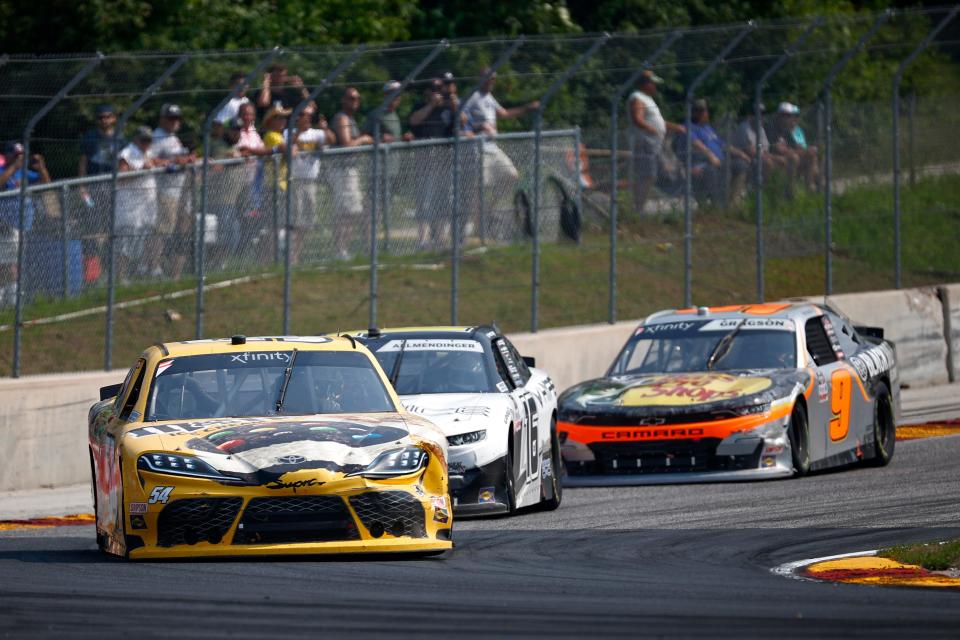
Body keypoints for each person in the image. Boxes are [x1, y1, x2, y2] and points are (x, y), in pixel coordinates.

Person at [463, 68, 539, 236]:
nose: (492, 82)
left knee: (511, 175)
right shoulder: (472, 97)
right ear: (481, 78)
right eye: (489, 79)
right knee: (479, 188)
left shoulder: (489, 97)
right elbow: (462, 118)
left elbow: (503, 113)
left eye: (494, 79)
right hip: (479, 149)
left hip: (493, 148)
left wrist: (527, 108)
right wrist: (478, 126)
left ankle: (488, 211)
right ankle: (475, 226)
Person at [409, 78, 458, 249]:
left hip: (444, 157)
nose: (437, 91)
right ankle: (423, 239)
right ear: (427, 91)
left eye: (440, 88)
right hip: (426, 156)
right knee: (425, 198)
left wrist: (454, 106)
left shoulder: (448, 108)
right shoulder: (420, 106)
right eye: (433, 88)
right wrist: (431, 106)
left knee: (444, 199)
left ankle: (441, 237)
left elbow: (464, 122)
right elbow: (414, 121)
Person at [627, 70, 685, 214]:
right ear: (646, 84)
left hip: (654, 145)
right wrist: (651, 129)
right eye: (653, 83)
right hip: (645, 144)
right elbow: (637, 118)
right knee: (648, 175)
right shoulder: (637, 97)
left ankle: (642, 206)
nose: (655, 87)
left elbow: (659, 122)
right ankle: (638, 209)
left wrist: (674, 127)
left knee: (659, 175)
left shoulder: (648, 99)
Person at [77, 103, 122, 280]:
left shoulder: (120, 137)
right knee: (94, 226)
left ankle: (114, 269)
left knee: (114, 226)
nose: (104, 120)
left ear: (113, 118)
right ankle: (96, 271)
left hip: (114, 187)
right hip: (94, 186)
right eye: (101, 117)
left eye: (107, 116)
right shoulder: (90, 137)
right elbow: (83, 161)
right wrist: (82, 185)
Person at [284, 106, 334, 264]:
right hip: (295, 180)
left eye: (309, 116)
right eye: (303, 115)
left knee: (308, 219)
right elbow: (288, 145)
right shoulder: (288, 132)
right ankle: (291, 256)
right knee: (295, 219)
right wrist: (298, 131)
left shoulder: (317, 133)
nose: (307, 118)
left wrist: (325, 129)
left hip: (311, 180)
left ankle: (297, 253)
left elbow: (332, 140)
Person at [151, 104, 195, 279]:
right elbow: (150, 159)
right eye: (170, 118)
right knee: (162, 230)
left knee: (182, 232)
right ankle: (152, 266)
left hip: (181, 191)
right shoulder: (157, 137)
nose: (174, 122)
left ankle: (175, 274)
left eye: (177, 118)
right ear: (162, 119)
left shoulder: (173, 138)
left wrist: (187, 159)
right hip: (165, 191)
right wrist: (176, 161)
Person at [330, 87, 374, 259]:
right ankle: (340, 250)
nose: (354, 101)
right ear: (343, 100)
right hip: (342, 171)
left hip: (351, 170)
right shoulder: (342, 118)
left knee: (352, 211)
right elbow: (347, 144)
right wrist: (363, 139)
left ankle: (344, 249)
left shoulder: (351, 119)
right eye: (351, 98)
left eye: (357, 98)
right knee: (346, 212)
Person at [685, 99, 751, 207]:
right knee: (714, 171)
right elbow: (696, 143)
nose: (703, 114)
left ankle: (732, 203)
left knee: (741, 165)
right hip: (705, 162)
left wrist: (741, 153)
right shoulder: (690, 127)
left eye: (704, 111)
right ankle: (718, 206)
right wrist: (711, 156)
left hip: (721, 160)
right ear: (694, 113)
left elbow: (723, 144)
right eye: (699, 111)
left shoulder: (708, 128)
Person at [116, 127, 158, 281]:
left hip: (145, 206)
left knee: (145, 238)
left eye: (149, 140)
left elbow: (156, 163)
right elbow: (121, 176)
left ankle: (142, 273)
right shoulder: (127, 153)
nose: (147, 143)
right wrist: (140, 170)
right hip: (129, 206)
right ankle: (120, 278)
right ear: (136, 139)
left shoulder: (147, 152)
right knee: (125, 242)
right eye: (144, 140)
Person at [732, 103, 788, 201]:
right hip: (747, 158)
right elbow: (750, 151)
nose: (761, 117)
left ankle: (779, 192)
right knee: (768, 163)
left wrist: (773, 157)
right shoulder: (744, 128)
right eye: (758, 114)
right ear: (751, 115)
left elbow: (765, 149)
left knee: (782, 161)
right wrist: (770, 157)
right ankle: (763, 194)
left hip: (760, 157)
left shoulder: (761, 129)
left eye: (762, 114)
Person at [0, 141, 51, 234]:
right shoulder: (2, 169)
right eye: (16, 155)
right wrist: (14, 167)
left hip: (24, 222)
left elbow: (47, 184)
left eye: (21, 155)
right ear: (6, 155)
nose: (19, 158)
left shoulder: (23, 171)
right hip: (6, 225)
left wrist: (41, 168)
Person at [771, 102, 819, 190]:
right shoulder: (772, 129)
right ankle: (790, 189)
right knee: (794, 157)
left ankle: (810, 186)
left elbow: (795, 145)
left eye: (789, 116)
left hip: (789, 156)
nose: (787, 118)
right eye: (784, 115)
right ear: (778, 116)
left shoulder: (786, 130)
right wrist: (802, 151)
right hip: (775, 157)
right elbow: (778, 149)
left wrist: (807, 150)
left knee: (811, 155)